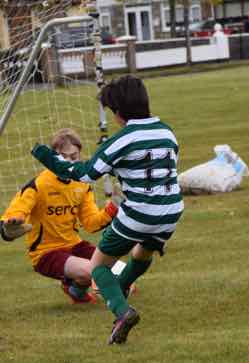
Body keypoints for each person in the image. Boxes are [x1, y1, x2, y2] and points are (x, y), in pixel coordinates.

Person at [31, 75, 183, 345]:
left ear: (118, 112)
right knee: (142, 252)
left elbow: (85, 173)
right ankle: (121, 287)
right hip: (172, 210)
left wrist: (47, 156)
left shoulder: (121, 139)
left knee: (98, 266)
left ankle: (123, 313)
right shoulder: (167, 132)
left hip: (139, 212)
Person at [1, 128, 120, 303]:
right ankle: (113, 304)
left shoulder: (82, 185)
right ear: (52, 158)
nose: (69, 162)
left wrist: (114, 207)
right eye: (64, 157)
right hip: (46, 253)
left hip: (74, 245)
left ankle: (75, 289)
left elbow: (91, 223)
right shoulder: (39, 185)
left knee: (121, 272)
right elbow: (16, 210)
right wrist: (10, 226)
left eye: (74, 157)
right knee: (94, 271)